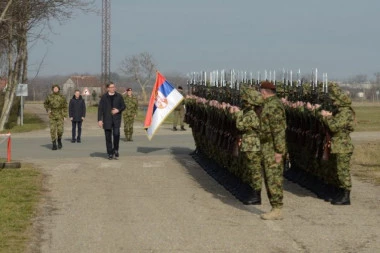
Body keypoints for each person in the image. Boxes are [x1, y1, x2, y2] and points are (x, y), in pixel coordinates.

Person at [318, 83, 354, 205]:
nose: (333, 102)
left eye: (334, 100)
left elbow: (334, 127)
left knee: (342, 171)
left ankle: (346, 195)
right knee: (335, 171)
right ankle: (339, 192)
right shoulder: (339, 111)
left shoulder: (345, 112)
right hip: (336, 145)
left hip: (342, 146)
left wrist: (327, 117)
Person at [259, 81, 287, 220]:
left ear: (264, 92)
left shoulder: (274, 106)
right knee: (269, 178)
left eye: (260, 92)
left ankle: (277, 208)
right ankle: (274, 206)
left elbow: (278, 131)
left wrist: (279, 151)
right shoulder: (268, 104)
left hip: (272, 148)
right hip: (267, 146)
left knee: (273, 178)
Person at [235, 86, 264, 205]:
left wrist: (238, 113)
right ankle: (251, 192)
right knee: (249, 169)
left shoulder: (251, 113)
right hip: (249, 144)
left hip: (252, 145)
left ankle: (256, 196)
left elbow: (240, 125)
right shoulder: (251, 112)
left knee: (254, 169)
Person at [98, 82, 126, 160]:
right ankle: (110, 153)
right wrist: (100, 120)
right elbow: (100, 109)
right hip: (107, 120)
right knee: (108, 138)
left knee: (116, 135)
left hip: (116, 119)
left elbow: (123, 106)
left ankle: (116, 149)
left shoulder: (119, 96)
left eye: (114, 87)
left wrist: (118, 110)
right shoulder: (104, 97)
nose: (113, 88)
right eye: (111, 87)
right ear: (108, 88)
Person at [44, 84, 68, 150]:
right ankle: (54, 144)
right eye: (54, 88)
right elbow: (45, 104)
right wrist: (48, 110)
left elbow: (65, 106)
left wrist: (65, 116)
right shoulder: (49, 97)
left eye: (57, 88)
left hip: (60, 115)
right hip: (52, 115)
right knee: (52, 130)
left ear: (59, 89)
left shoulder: (62, 97)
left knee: (60, 130)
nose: (55, 89)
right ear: (52, 89)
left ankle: (59, 140)